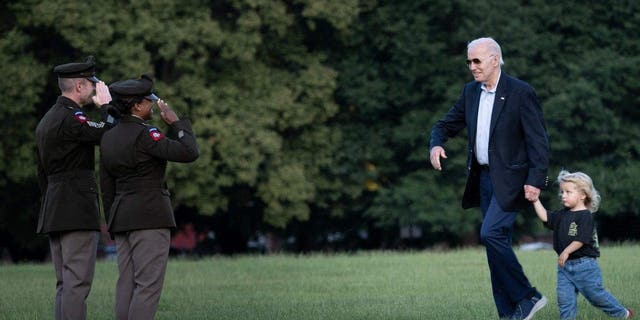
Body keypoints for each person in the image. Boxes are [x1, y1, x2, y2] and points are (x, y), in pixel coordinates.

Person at [429, 37, 550, 320]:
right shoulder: (470, 92)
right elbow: (444, 124)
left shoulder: (521, 92)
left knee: (489, 234)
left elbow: (539, 142)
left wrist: (536, 180)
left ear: (495, 60)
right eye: (469, 61)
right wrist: (436, 143)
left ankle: (527, 296)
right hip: (482, 179)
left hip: (513, 181)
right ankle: (508, 315)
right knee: (496, 249)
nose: (472, 66)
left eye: (477, 60)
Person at [100, 74, 199, 320]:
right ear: (136, 105)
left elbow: (106, 184)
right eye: (148, 101)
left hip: (121, 218)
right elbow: (189, 152)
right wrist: (176, 124)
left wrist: (112, 219)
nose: (153, 105)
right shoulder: (146, 134)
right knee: (147, 286)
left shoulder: (108, 137)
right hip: (149, 218)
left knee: (126, 284)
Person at [35, 56, 114, 320]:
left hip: (55, 208)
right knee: (77, 284)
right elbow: (108, 134)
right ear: (79, 87)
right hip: (76, 210)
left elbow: (41, 173)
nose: (95, 89)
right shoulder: (72, 119)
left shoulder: (47, 120)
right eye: (92, 84)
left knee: (65, 284)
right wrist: (107, 108)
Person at [532, 170, 633, 319]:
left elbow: (581, 239)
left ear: (583, 195)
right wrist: (535, 200)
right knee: (565, 301)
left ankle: (623, 314)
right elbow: (546, 217)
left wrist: (566, 251)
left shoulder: (586, 216)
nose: (563, 195)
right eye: (562, 192)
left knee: (596, 296)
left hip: (584, 266)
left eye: (568, 192)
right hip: (564, 267)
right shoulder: (561, 214)